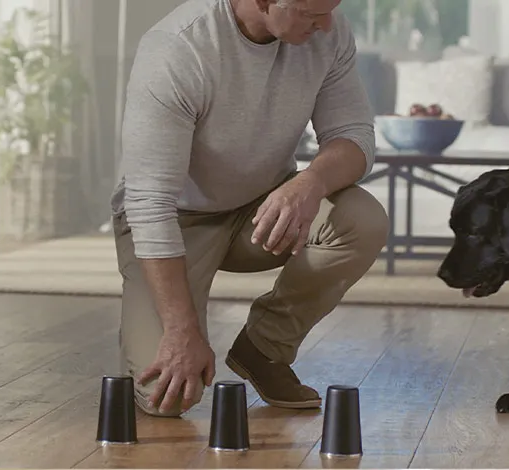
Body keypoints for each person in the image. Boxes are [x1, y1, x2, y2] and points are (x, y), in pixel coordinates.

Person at [110, 0, 389, 418]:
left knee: (361, 221)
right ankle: (149, 325)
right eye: (312, 12)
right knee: (166, 396)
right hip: (174, 220)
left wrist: (310, 182)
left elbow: (355, 135)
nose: (328, 23)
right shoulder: (178, 48)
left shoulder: (326, 30)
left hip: (261, 208)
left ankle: (264, 348)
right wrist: (182, 331)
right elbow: (150, 204)